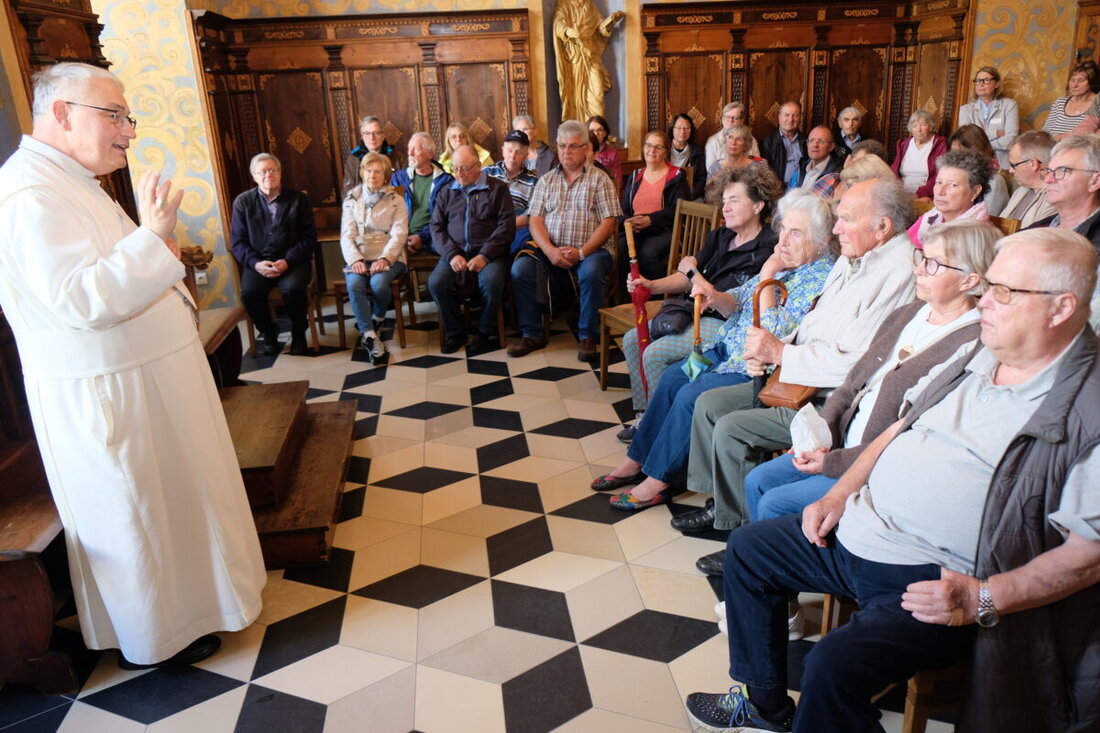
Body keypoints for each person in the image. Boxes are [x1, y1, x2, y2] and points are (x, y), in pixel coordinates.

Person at [685, 228, 1100, 733]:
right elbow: (900, 427)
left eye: (1004, 292)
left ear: (1061, 308)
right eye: (988, 285)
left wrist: (982, 598)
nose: (984, 301)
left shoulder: (1086, 409)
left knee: (829, 669)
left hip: (933, 579)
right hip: (861, 533)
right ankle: (764, 708)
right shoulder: (983, 354)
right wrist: (838, 493)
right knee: (749, 549)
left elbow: (1087, 557)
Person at [0, 62, 265, 668]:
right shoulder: (27, 193)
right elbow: (80, 299)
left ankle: (192, 610)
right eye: (113, 115)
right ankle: (155, 638)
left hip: (143, 379)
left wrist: (155, 245)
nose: (127, 131)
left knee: (170, 505)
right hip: (109, 398)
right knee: (138, 514)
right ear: (62, 113)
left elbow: (120, 267)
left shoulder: (71, 181)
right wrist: (152, 238)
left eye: (127, 116)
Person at [677, 180, 918, 554]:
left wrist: (780, 355)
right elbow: (811, 325)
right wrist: (777, 350)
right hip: (798, 380)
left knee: (730, 426)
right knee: (709, 404)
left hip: (827, 400)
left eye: (846, 220)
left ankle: (741, 536)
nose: (836, 230)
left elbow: (859, 367)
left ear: (882, 227)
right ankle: (727, 514)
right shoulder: (854, 256)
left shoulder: (898, 271)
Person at [592, 191, 834, 511]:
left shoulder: (819, 277)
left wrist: (767, 275)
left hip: (751, 366)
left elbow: (774, 333)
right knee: (672, 379)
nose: (784, 240)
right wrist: (713, 295)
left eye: (796, 232)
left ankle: (658, 480)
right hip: (720, 352)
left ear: (820, 239)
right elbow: (737, 300)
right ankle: (636, 460)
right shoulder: (788, 261)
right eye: (784, 229)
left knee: (692, 395)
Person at [744, 219, 991, 524]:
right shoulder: (908, 313)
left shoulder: (973, 340)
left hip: (875, 465)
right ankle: (760, 557)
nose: (918, 270)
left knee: (775, 503)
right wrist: (820, 434)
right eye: (921, 258)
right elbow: (850, 385)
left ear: (968, 281)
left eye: (933, 264)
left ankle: (783, 561)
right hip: (839, 443)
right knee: (757, 479)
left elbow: (907, 431)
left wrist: (833, 461)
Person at [618, 166, 780, 441]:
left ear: (758, 205)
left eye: (734, 200)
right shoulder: (721, 236)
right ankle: (647, 415)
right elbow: (687, 277)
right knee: (632, 339)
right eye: (724, 200)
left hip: (726, 323)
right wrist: (651, 284)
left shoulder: (768, 248)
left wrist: (694, 272)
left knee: (655, 353)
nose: (725, 208)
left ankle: (660, 431)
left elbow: (724, 296)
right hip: (695, 312)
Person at [509, 120, 621, 360]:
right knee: (521, 268)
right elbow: (535, 220)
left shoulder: (600, 180)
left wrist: (581, 252)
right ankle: (532, 333)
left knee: (590, 272)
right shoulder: (546, 180)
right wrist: (550, 251)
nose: (566, 152)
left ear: (587, 149)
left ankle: (588, 336)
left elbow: (608, 223)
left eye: (573, 146)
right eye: (561, 146)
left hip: (593, 251)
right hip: (551, 250)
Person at [428, 145, 515, 355]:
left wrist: (485, 255)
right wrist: (451, 254)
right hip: (455, 254)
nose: (459, 174)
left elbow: (506, 227)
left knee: (492, 283)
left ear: (479, 166)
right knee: (436, 283)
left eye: (465, 168)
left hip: (489, 254)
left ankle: (484, 332)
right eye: (455, 168)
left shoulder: (497, 189)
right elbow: (436, 227)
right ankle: (455, 331)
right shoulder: (446, 191)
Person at [231, 152, 318, 356]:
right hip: (258, 263)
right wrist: (256, 264)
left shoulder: (299, 200)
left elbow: (308, 238)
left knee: (293, 289)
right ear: (254, 176)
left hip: (292, 262)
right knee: (250, 294)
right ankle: (269, 332)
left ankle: (298, 333)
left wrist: (287, 261)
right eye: (262, 171)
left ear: (280, 173)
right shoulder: (242, 202)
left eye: (272, 170)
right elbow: (238, 242)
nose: (268, 174)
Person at [340, 152, 408, 361]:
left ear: (386, 175)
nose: (372, 175)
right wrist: (356, 260)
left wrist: (385, 259)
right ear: (362, 173)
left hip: (391, 257)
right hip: (360, 256)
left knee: (379, 284)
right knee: (355, 285)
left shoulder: (396, 200)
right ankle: (369, 335)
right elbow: (346, 235)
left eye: (378, 171)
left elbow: (399, 234)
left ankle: (377, 315)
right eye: (368, 171)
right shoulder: (351, 200)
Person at [618, 130, 691, 280]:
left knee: (647, 254)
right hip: (635, 230)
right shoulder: (635, 175)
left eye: (658, 147)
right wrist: (627, 221)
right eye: (649, 145)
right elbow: (624, 208)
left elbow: (678, 209)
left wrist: (650, 220)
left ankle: (659, 298)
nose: (652, 150)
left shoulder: (677, 176)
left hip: (665, 229)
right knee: (622, 249)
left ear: (666, 152)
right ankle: (630, 296)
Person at [553, 0, 624, 122]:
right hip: (575, 59)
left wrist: (610, 21)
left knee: (598, 93)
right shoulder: (565, 5)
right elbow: (557, 23)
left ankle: (597, 130)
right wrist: (567, 31)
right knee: (576, 96)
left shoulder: (590, 6)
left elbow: (600, 30)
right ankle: (580, 127)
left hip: (591, 56)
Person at [908, 148, 994, 248]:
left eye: (953, 185)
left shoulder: (977, 236)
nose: (940, 192)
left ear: (975, 191)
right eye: (939, 182)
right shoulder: (931, 217)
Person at [391, 132, 453, 255]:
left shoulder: (446, 181)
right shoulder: (398, 178)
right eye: (409, 148)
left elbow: (446, 218)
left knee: (449, 250)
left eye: (415, 149)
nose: (410, 153)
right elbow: (390, 213)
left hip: (433, 236)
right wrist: (401, 237)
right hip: (400, 236)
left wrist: (422, 237)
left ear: (430, 154)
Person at [1032, 134, 1100, 248]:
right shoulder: (1037, 228)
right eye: (1049, 170)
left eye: (1062, 170)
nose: (1048, 179)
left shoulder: (1094, 247)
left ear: (1095, 181)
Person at [484, 129, 539, 255]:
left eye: (518, 152)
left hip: (515, 228)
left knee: (529, 234)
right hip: (489, 226)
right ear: (503, 150)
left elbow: (530, 215)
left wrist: (505, 226)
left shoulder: (534, 182)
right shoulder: (486, 173)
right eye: (509, 150)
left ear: (526, 155)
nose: (512, 156)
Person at [958, 65, 1019, 168]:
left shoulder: (1009, 105)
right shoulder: (966, 110)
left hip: (1002, 165)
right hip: (973, 163)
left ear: (997, 84)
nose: (981, 84)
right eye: (978, 81)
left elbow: (1011, 139)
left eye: (986, 80)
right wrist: (996, 133)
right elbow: (967, 139)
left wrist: (983, 145)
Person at [998, 130, 1057, 226]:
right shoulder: (1020, 191)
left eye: (1013, 165)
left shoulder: (1054, 199)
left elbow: (1038, 238)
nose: (1010, 170)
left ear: (1033, 164)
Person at [948, 123, 1008, 214]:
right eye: (953, 154)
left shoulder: (994, 182)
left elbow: (983, 221)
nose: (956, 159)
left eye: (961, 153)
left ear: (978, 152)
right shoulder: (952, 177)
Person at [342, 115, 404, 197]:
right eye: (367, 134)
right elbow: (348, 191)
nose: (372, 138)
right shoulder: (354, 159)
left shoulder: (398, 157)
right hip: (362, 206)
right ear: (362, 137)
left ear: (383, 136)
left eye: (376, 133)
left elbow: (406, 188)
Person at [891, 109, 947, 199]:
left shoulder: (939, 144)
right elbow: (894, 171)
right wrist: (898, 192)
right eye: (915, 126)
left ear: (931, 127)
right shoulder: (903, 144)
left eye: (923, 124)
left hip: (926, 195)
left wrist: (918, 195)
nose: (919, 129)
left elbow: (940, 175)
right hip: (901, 193)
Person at [812, 141, 894, 201]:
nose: (855, 166)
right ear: (848, 159)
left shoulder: (863, 198)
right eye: (855, 160)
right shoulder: (829, 177)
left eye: (862, 165)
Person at [1042, 59, 1100, 141]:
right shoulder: (1060, 102)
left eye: (1081, 80)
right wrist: (1058, 137)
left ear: (1091, 82)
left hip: (1083, 151)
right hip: (1054, 150)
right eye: (1072, 80)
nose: (1075, 85)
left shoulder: (1097, 104)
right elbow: (1046, 132)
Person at [704, 124, 764, 203]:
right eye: (730, 137)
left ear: (746, 145)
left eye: (739, 139)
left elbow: (762, 195)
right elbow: (708, 198)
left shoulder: (756, 166)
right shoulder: (715, 167)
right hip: (720, 210)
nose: (733, 142)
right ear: (725, 141)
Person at [760, 101, 807, 189]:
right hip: (778, 190)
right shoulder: (768, 142)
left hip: (802, 189)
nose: (791, 119)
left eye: (795, 115)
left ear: (800, 118)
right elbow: (764, 171)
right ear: (779, 117)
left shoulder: (806, 140)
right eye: (786, 115)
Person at [705, 102, 760, 169]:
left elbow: (758, 162)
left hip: (748, 177)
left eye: (735, 118)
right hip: (722, 178)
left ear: (742, 120)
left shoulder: (750, 139)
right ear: (722, 119)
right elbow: (711, 169)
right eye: (727, 117)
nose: (730, 121)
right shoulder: (713, 141)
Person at [668, 112, 707, 197]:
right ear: (672, 129)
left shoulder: (697, 153)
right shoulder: (663, 150)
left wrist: (689, 194)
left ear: (691, 131)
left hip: (690, 196)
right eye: (678, 128)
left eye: (686, 128)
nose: (682, 131)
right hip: (667, 194)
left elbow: (702, 179)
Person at [796, 126, 840, 194]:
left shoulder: (836, 175)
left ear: (831, 147)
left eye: (821, 141)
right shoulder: (801, 166)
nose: (815, 145)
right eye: (811, 140)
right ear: (807, 144)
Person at [586, 114, 622, 185]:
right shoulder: (582, 151)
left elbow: (618, 179)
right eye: (592, 130)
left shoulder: (612, 154)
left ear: (605, 133)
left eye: (599, 130)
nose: (596, 134)